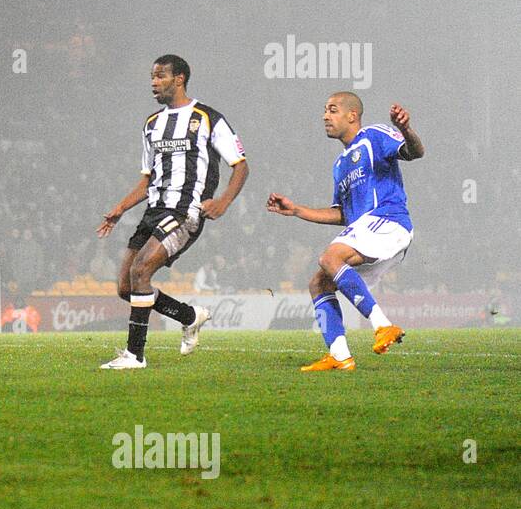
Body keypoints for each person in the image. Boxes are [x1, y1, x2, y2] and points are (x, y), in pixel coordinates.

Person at [96, 55, 250, 368]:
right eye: (152, 77)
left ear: (179, 79)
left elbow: (241, 166)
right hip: (154, 209)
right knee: (126, 286)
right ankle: (190, 316)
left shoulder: (208, 118)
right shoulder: (152, 124)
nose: (154, 83)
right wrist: (120, 209)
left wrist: (223, 201)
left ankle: (134, 355)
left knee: (141, 271)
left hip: (185, 209)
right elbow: (147, 180)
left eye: (161, 76)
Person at [267, 94, 424, 371]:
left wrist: (406, 129)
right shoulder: (340, 165)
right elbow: (343, 214)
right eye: (325, 110)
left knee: (330, 257)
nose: (325, 116)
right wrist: (296, 210)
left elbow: (414, 153)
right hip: (366, 229)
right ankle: (340, 356)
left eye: (332, 110)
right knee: (319, 283)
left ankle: (383, 326)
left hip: (388, 220)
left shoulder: (373, 136)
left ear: (352, 115)